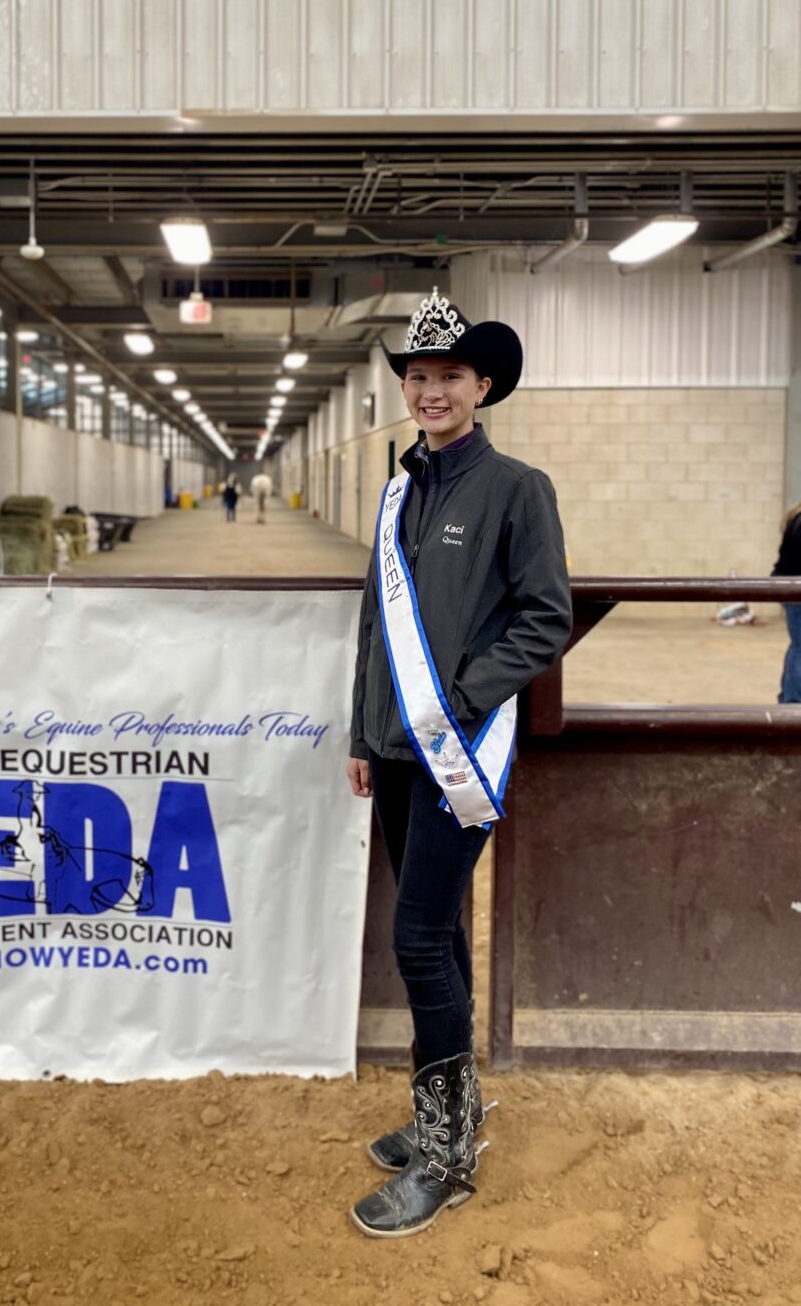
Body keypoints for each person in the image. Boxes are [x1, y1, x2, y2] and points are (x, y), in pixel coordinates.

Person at [346, 287, 571, 1240]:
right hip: (397, 752)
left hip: (456, 752)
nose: (430, 391)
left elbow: (545, 619)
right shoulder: (399, 490)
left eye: (449, 376)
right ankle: (455, 1111)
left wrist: (463, 698)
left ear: (482, 386)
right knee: (436, 936)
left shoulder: (517, 489)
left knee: (416, 940)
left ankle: (444, 1156)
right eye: (417, 377)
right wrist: (363, 734)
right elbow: (375, 624)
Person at [772, 497, 801, 701]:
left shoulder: (795, 516)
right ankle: (792, 702)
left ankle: (788, 699)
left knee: (798, 646)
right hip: (794, 588)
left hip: (790, 586)